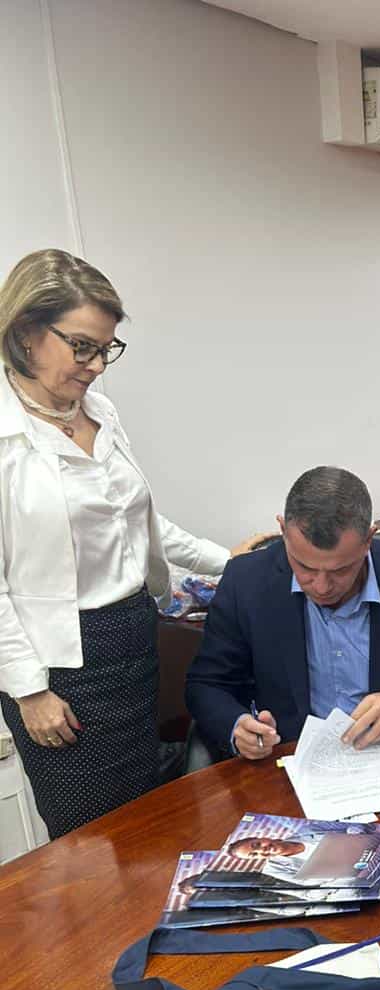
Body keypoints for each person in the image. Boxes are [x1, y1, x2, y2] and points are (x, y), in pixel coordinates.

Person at [0, 249, 264, 840]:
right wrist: (29, 691)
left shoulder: (99, 412)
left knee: (148, 822)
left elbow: (135, 520)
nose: (96, 366)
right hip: (61, 669)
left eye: (106, 349)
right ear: (25, 333)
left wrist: (226, 563)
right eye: (82, 347)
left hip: (132, 640)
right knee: (90, 839)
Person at [185, 466, 380, 758]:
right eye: (304, 567)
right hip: (290, 760)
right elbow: (206, 685)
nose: (321, 586)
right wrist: (237, 725)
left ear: (369, 539)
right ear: (283, 531)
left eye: (340, 570)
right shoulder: (246, 582)